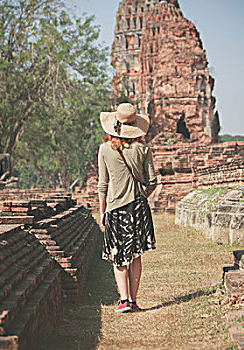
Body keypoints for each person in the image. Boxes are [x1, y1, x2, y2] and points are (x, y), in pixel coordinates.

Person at [98, 102, 157, 313]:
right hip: (138, 207)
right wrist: (142, 196)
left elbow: (103, 184)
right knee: (136, 254)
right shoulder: (143, 149)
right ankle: (133, 300)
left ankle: (123, 300)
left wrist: (102, 210)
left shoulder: (105, 149)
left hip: (115, 207)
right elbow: (152, 182)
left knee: (118, 254)